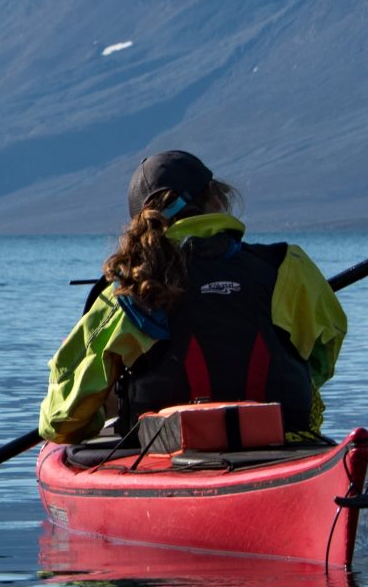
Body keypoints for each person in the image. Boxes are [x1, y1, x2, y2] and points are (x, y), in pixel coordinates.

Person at [39, 149, 346, 445]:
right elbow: (323, 351)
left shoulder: (130, 292)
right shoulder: (288, 266)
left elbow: (59, 420)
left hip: (163, 455)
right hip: (281, 439)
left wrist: (107, 409)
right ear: (216, 197)